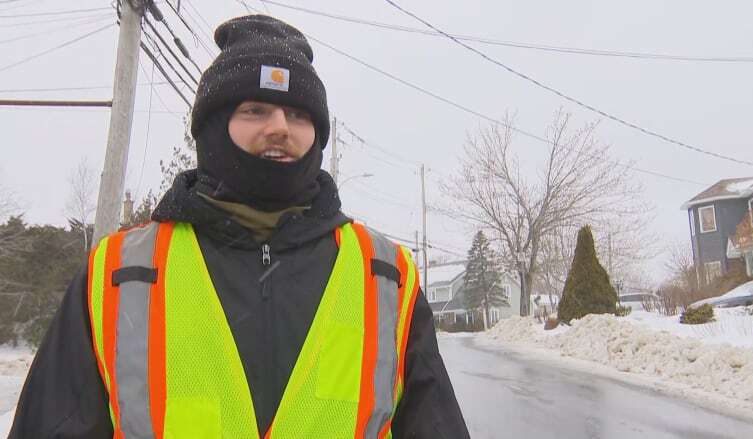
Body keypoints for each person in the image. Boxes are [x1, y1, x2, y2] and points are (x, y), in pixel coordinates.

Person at [8, 14, 469, 439]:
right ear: (211, 127)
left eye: (298, 115)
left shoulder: (384, 276)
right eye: (255, 110)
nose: (280, 128)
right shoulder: (119, 275)